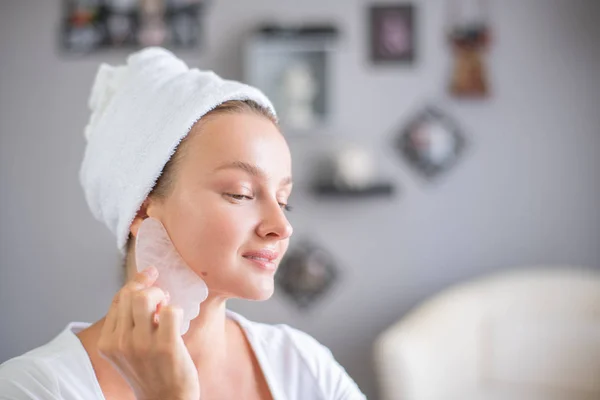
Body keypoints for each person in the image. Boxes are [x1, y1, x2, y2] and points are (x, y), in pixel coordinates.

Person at [0, 47, 366, 400]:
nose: (281, 227)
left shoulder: (303, 364)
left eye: (285, 201)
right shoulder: (34, 389)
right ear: (142, 212)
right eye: (240, 193)